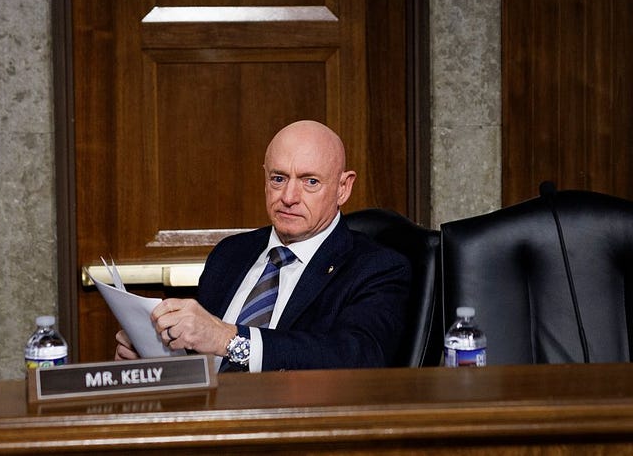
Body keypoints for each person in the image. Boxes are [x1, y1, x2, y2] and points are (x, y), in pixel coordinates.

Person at [114, 120, 411, 371]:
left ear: (343, 188)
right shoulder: (230, 254)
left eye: (310, 182)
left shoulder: (376, 267)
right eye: (279, 178)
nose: (289, 196)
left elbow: (357, 356)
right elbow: (199, 351)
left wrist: (230, 340)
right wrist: (156, 356)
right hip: (204, 424)